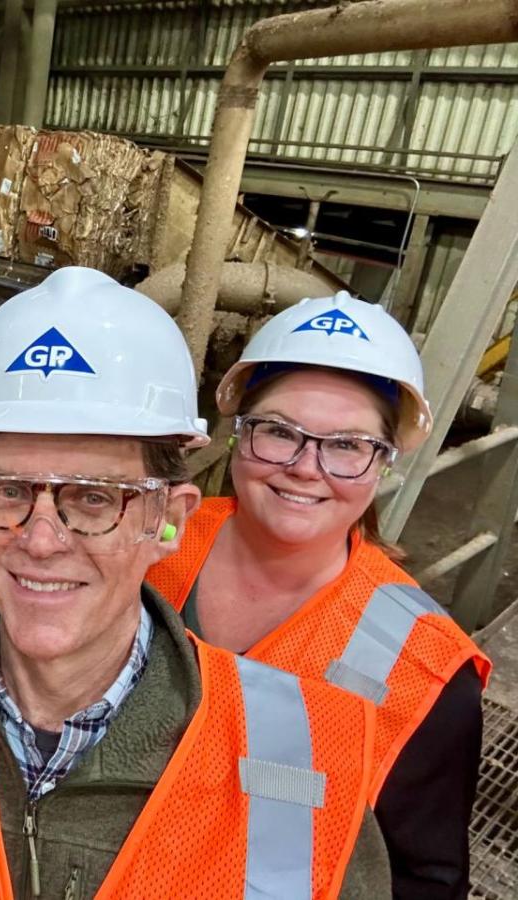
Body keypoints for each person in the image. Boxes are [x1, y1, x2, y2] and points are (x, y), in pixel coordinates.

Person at [0, 267, 390, 899]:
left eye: (95, 499)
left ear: (168, 522)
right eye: (10, 492)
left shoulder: (303, 761)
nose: (40, 540)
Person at [146, 292, 490, 900]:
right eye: (280, 432)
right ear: (236, 436)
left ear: (383, 464)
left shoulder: (427, 673)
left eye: (347, 446)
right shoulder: (146, 542)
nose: (307, 467)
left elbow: (422, 881)